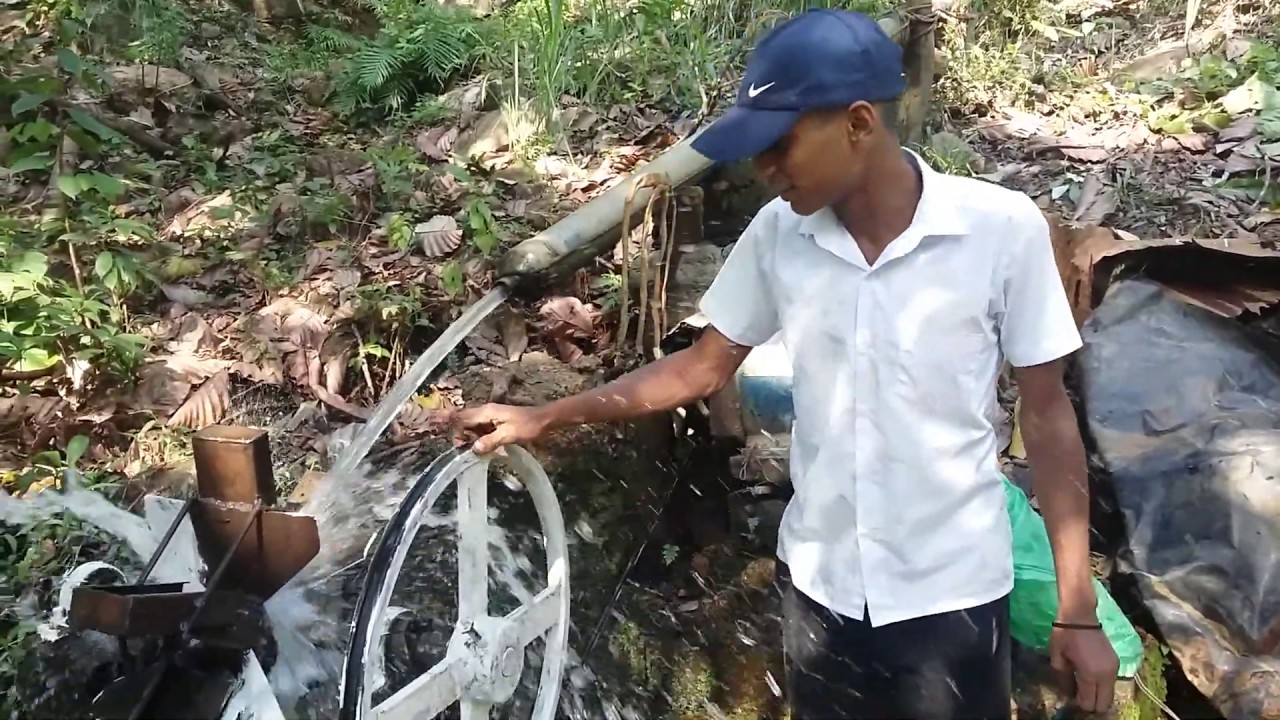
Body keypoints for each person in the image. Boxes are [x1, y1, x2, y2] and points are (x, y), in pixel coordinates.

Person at [452, 8, 1120, 720]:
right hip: (822, 595)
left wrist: (1076, 607)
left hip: (951, 599)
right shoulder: (780, 235)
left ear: (860, 124)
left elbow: (1047, 416)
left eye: (780, 146)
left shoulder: (998, 229)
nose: (765, 172)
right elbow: (702, 369)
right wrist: (545, 415)